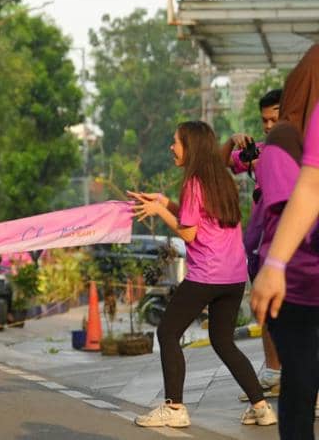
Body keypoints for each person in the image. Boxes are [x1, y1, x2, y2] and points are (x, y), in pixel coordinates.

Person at [129, 121, 277, 429]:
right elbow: (196, 217)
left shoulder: (194, 182)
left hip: (207, 274)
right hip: (234, 277)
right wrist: (163, 201)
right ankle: (261, 407)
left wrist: (159, 212)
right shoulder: (220, 180)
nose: (172, 147)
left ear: (191, 146)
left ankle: (174, 407)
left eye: (176, 142)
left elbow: (189, 231)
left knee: (167, 332)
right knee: (223, 341)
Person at [251, 44, 319, 440]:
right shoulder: (283, 142)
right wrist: (273, 268)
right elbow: (298, 199)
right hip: (295, 286)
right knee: (302, 382)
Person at [231, 88, 285, 400]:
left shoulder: (305, 153)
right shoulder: (260, 152)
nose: (267, 126)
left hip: (295, 249)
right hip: (259, 245)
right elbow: (230, 159)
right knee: (265, 309)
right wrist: (237, 139)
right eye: (264, 120)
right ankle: (273, 372)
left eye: (274, 119)